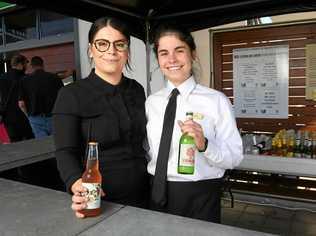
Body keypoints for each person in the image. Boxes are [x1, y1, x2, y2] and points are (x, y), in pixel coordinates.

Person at [52, 17, 149, 218]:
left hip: (145, 196)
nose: (111, 51)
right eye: (102, 44)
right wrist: (76, 184)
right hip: (99, 201)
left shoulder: (137, 90)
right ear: (91, 49)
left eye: (119, 44)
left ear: (127, 51)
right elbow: (64, 151)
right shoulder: (71, 95)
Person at [146, 23, 243, 223]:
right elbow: (149, 149)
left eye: (179, 51)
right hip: (156, 190)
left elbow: (234, 157)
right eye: (164, 53)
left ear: (193, 54)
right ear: (158, 59)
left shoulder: (216, 101)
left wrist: (205, 145)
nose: (171, 59)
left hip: (200, 195)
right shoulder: (151, 102)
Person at [19, 56, 63, 138]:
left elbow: (21, 104)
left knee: (42, 145)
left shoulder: (24, 81)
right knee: (56, 143)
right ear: (43, 65)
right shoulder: (54, 78)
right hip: (54, 117)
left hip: (35, 118)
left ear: (31, 66)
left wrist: (29, 116)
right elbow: (63, 98)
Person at [0, 54, 34, 142]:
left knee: (15, 143)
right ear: (20, 64)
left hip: (8, 117)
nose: (27, 66)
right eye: (25, 63)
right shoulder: (25, 78)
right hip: (24, 116)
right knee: (31, 142)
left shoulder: (2, 78)